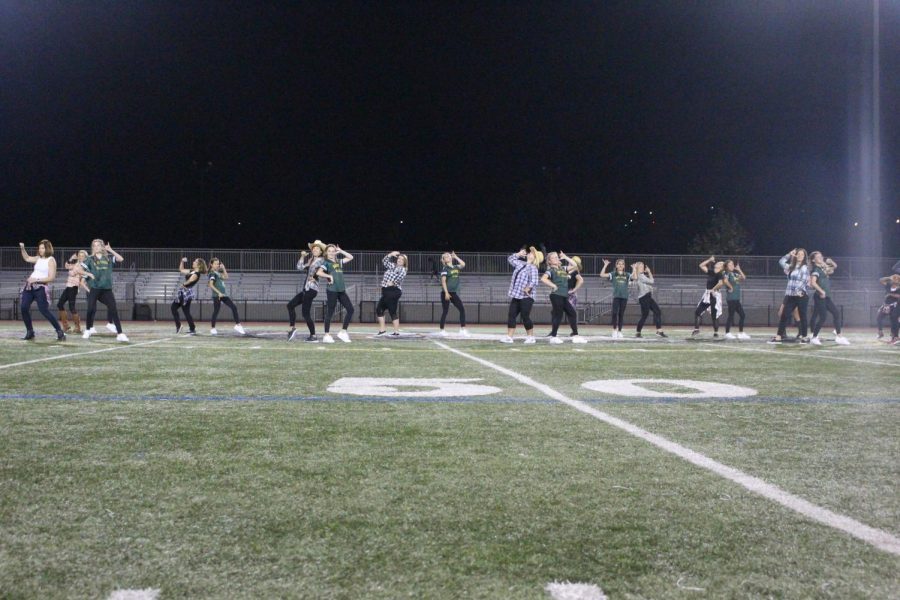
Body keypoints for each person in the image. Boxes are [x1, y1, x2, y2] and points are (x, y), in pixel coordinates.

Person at [79, 239, 128, 342]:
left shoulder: (108, 258)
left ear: (102, 247)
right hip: (95, 289)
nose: (96, 247)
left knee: (113, 309)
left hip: (106, 290)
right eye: (94, 246)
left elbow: (121, 259)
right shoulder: (89, 259)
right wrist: (89, 274)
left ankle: (120, 333)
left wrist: (110, 250)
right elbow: (78, 270)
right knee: (90, 309)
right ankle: (88, 330)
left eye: (98, 245)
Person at [18, 240, 66, 341]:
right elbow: (27, 258)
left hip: (40, 287)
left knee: (44, 310)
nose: (40, 250)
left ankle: (59, 331)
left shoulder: (51, 260)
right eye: (39, 248)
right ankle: (30, 332)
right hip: (29, 287)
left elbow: (51, 277)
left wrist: (37, 279)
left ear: (48, 248)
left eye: (43, 248)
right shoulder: (38, 258)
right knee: (23, 308)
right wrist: (22, 248)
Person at [541, 251, 585, 344]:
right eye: (554, 257)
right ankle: (553, 336)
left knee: (572, 313)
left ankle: (576, 335)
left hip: (564, 296)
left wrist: (565, 257)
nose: (557, 258)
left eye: (557, 257)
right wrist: (553, 285)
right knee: (558, 315)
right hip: (556, 295)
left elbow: (574, 265)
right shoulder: (551, 270)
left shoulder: (563, 268)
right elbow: (543, 279)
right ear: (549, 261)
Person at [500, 246, 541, 344]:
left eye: (532, 253)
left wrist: (528, 287)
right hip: (516, 295)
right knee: (511, 315)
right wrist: (518, 254)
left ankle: (531, 337)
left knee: (525, 316)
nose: (529, 253)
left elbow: (535, 281)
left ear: (535, 258)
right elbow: (510, 259)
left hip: (526, 296)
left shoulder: (533, 268)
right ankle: (509, 337)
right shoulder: (521, 263)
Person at [769, 248, 810, 344]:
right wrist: (789, 254)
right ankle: (779, 336)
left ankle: (804, 337)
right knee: (784, 315)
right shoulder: (791, 266)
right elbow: (781, 261)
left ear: (804, 257)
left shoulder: (804, 267)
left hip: (801, 295)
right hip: (791, 295)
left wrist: (798, 291)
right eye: (798, 254)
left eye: (802, 255)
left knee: (803, 316)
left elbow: (803, 281)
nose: (800, 256)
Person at [808, 251, 849, 345]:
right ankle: (814, 337)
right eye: (818, 257)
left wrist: (831, 262)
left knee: (836, 313)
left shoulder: (822, 268)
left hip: (826, 297)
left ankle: (839, 336)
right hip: (819, 296)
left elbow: (833, 268)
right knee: (823, 317)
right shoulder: (816, 270)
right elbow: (812, 283)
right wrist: (821, 291)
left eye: (821, 256)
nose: (821, 258)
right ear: (813, 260)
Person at [316, 244, 354, 343]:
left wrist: (341, 251)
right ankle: (326, 335)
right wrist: (329, 276)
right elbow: (319, 272)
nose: (332, 252)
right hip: (332, 290)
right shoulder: (326, 262)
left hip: (341, 290)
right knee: (330, 312)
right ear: (326, 253)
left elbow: (351, 257)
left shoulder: (338, 262)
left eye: (333, 251)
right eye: (329, 251)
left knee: (350, 309)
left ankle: (343, 332)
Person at [207, 258, 246, 336]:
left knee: (234, 307)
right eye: (215, 264)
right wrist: (218, 293)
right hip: (217, 295)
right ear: (211, 264)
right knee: (216, 311)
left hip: (223, 295)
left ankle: (238, 325)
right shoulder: (212, 273)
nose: (217, 265)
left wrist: (224, 268)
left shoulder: (217, 273)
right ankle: (213, 328)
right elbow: (210, 284)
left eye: (218, 264)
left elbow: (226, 277)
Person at [375, 251, 408, 337]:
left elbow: (401, 277)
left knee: (391, 311)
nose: (400, 260)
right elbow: (384, 261)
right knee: (379, 309)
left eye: (402, 259)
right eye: (399, 258)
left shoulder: (403, 269)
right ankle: (383, 330)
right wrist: (390, 254)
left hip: (393, 291)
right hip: (386, 290)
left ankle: (396, 332)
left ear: (404, 262)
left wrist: (393, 282)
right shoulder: (393, 265)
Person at [691, 256, 725, 338]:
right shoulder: (711, 272)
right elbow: (701, 265)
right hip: (707, 294)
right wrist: (709, 260)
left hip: (714, 295)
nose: (717, 263)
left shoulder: (720, 274)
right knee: (698, 311)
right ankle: (696, 329)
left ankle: (716, 332)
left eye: (719, 263)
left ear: (721, 267)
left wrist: (713, 289)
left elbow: (720, 283)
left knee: (714, 315)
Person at [171, 257, 207, 335]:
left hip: (186, 293)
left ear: (199, 265)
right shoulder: (192, 271)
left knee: (176, 308)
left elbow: (191, 280)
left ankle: (182, 326)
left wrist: (183, 284)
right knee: (182, 310)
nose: (193, 262)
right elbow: (181, 269)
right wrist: (182, 261)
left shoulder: (197, 274)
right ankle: (190, 328)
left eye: (195, 261)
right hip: (184, 292)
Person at [57, 249, 88, 334]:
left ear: (85, 257)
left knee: (72, 307)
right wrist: (71, 258)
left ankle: (78, 327)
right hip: (68, 286)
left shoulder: (82, 265)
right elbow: (66, 266)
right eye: (79, 255)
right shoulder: (75, 263)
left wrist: (72, 264)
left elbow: (72, 273)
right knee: (60, 304)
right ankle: (66, 326)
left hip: (74, 287)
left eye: (82, 256)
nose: (80, 257)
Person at [632, 261, 667, 338]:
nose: (642, 268)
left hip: (648, 297)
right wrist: (649, 272)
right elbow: (652, 281)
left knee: (657, 311)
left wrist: (649, 287)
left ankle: (659, 330)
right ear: (637, 268)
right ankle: (638, 332)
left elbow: (647, 284)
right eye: (640, 267)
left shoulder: (641, 275)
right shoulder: (639, 275)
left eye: (643, 266)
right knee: (645, 315)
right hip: (643, 298)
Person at [438, 252, 469, 337]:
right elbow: (443, 282)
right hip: (446, 293)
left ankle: (462, 329)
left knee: (462, 309)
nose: (448, 256)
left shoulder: (455, 267)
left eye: (448, 255)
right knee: (445, 311)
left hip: (454, 293)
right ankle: (442, 330)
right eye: (445, 256)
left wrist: (456, 257)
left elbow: (463, 264)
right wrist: (446, 293)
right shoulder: (445, 269)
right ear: (443, 260)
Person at [600, 258, 630, 339]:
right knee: (614, 313)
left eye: (622, 264)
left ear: (624, 266)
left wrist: (634, 269)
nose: (620, 265)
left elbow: (635, 277)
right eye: (619, 264)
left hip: (624, 297)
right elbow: (602, 274)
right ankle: (614, 330)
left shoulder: (627, 274)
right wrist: (605, 265)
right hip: (616, 296)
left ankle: (620, 331)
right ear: (616, 265)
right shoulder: (613, 274)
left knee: (621, 314)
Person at [723, 260, 750, 340]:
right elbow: (725, 280)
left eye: (732, 264)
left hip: (736, 299)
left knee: (742, 315)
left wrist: (739, 269)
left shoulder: (734, 274)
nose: (732, 265)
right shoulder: (726, 273)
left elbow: (744, 277)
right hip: (731, 298)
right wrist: (730, 287)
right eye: (730, 264)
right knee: (731, 316)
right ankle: (727, 333)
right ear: (727, 266)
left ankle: (740, 333)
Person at [876, 274, 900, 344]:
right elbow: (881, 280)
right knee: (879, 316)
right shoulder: (888, 284)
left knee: (894, 320)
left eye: (896, 279)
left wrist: (890, 294)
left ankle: (895, 337)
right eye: (893, 279)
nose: (894, 280)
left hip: (895, 305)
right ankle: (880, 332)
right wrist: (889, 277)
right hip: (886, 305)